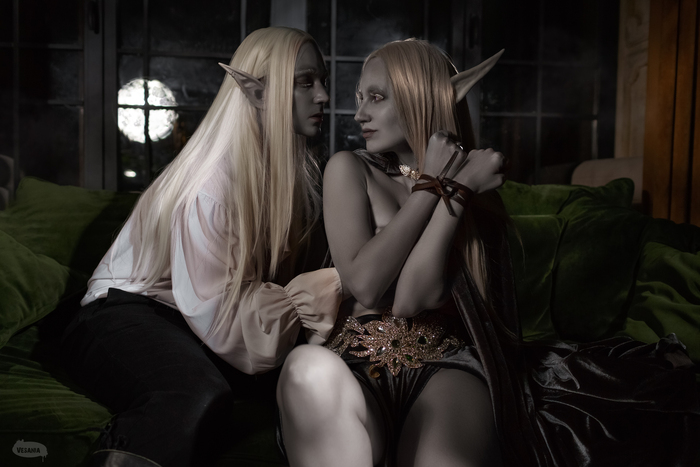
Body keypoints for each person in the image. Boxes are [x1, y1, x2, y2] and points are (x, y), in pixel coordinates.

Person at [276, 39, 700, 467]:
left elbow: (410, 299)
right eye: (359, 98)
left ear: (421, 98)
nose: (359, 114)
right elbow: (365, 285)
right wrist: (434, 184)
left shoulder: (475, 193)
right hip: (356, 362)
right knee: (306, 370)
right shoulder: (349, 169)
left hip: (446, 366)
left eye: (376, 97)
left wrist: (456, 190)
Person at [60, 27, 343, 467]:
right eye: (305, 82)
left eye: (322, 80)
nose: (323, 95)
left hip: (196, 320)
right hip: (126, 311)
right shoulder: (213, 186)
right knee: (194, 395)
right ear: (257, 93)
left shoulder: (295, 177)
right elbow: (223, 321)